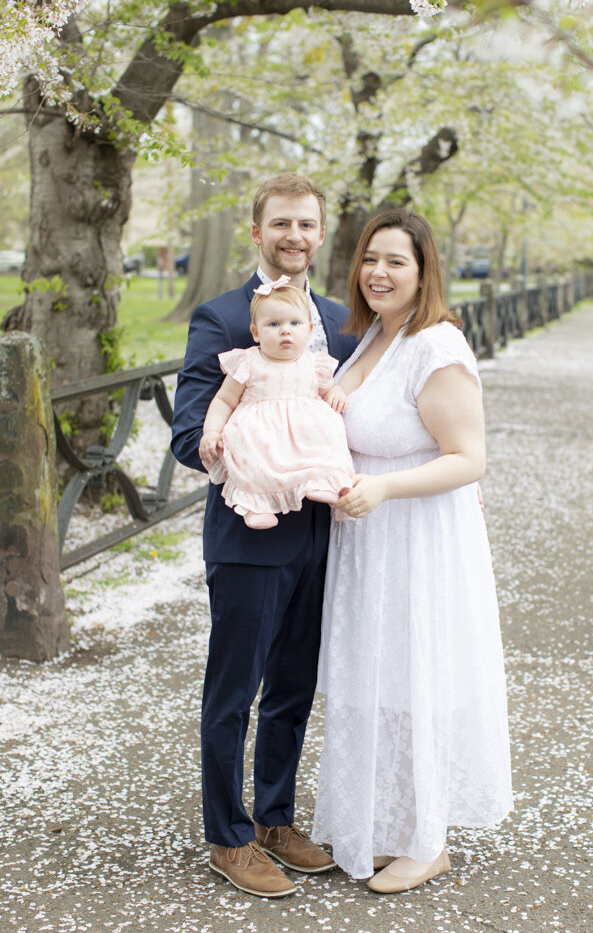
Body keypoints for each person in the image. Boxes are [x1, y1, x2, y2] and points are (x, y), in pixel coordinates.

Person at [312, 209, 513, 893]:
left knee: (415, 679)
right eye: (370, 258)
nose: (378, 272)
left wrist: (388, 486)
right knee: (377, 684)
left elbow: (469, 458)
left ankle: (428, 841)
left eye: (396, 261)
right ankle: (389, 824)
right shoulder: (370, 334)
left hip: (415, 538)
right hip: (366, 540)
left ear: (424, 271)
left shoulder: (435, 347)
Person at [170, 173, 357, 899]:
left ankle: (276, 817)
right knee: (234, 690)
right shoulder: (221, 318)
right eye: (280, 224)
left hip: (324, 531)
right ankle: (229, 835)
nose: (294, 237)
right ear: (257, 232)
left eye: (306, 225)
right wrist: (241, 454)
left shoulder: (340, 320)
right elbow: (190, 429)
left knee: (293, 686)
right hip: (250, 534)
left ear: (319, 233)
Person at [199, 277, 353, 530]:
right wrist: (211, 432)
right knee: (250, 456)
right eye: (274, 324)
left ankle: (324, 480)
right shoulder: (248, 362)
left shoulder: (314, 363)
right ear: (256, 332)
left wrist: (336, 392)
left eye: (295, 323)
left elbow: (329, 388)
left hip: (304, 433)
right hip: (261, 433)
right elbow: (224, 400)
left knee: (329, 438)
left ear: (309, 328)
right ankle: (255, 504)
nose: (285, 330)